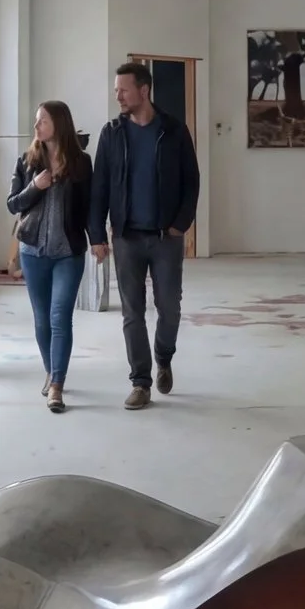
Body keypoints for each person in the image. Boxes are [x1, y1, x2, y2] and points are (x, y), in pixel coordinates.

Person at [88, 61, 201, 410]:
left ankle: (163, 355)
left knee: (170, 308)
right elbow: (100, 187)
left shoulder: (174, 130)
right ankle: (140, 382)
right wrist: (97, 235)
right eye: (116, 90)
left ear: (144, 90)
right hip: (126, 237)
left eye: (123, 90)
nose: (118, 96)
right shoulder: (111, 133)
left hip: (166, 237)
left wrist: (181, 223)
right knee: (132, 313)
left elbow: (191, 181)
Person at [8, 100, 92, 413]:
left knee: (60, 317)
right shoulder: (27, 161)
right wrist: (35, 186)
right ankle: (50, 368)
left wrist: (97, 240)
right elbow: (13, 204)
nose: (36, 126)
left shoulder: (81, 163)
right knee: (42, 320)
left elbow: (88, 208)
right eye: (36, 120)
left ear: (59, 123)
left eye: (42, 120)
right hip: (32, 252)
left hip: (68, 252)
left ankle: (57, 384)